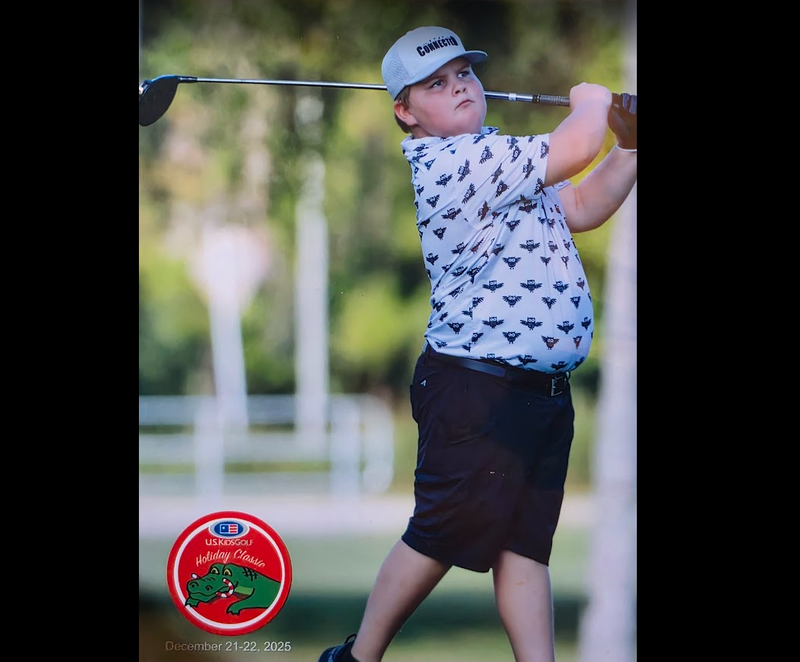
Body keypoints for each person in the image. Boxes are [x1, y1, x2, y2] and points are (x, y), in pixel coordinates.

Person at [319, 25, 636, 662]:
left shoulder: (498, 154)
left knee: (523, 548)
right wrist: (593, 104)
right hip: (477, 386)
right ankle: (358, 658)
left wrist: (630, 149)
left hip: (537, 393)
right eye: (435, 83)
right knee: (440, 533)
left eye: (463, 73)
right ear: (405, 113)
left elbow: (581, 201)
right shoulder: (449, 163)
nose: (458, 85)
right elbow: (573, 150)